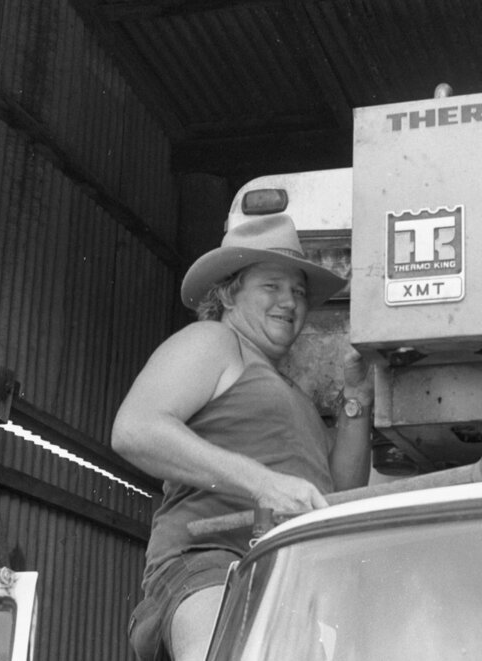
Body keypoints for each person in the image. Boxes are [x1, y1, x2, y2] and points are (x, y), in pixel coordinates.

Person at [112, 213, 373, 661]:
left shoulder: (297, 398)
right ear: (230, 294)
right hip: (209, 568)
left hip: (287, 580)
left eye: (298, 292)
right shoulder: (213, 341)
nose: (289, 302)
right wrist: (263, 484)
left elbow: (339, 494)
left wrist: (356, 397)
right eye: (272, 287)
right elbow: (136, 430)